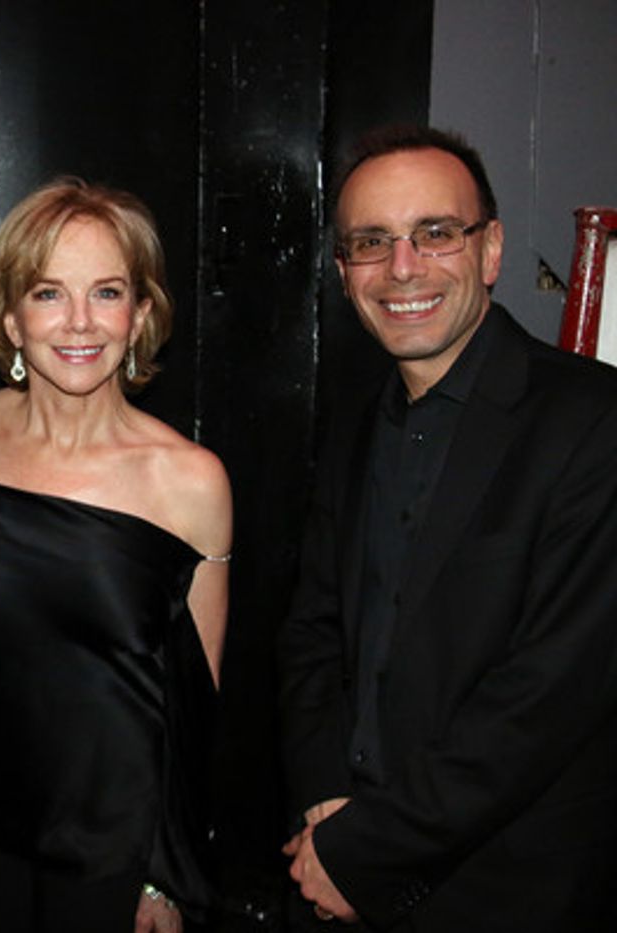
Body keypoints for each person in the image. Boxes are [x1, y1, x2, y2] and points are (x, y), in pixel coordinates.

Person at [278, 125, 617, 931]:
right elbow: (313, 631)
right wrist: (329, 801)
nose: (403, 268)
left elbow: (543, 699)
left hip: (505, 889)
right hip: (340, 862)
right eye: (371, 241)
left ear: (491, 249)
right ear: (342, 271)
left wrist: (369, 848)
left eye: (436, 233)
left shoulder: (595, 423)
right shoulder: (358, 423)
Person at [0, 178, 232, 932]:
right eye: (48, 293)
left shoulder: (189, 480)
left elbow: (196, 710)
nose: (79, 322)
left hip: (112, 856)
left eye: (106, 292)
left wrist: (166, 876)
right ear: (8, 314)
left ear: (142, 312)